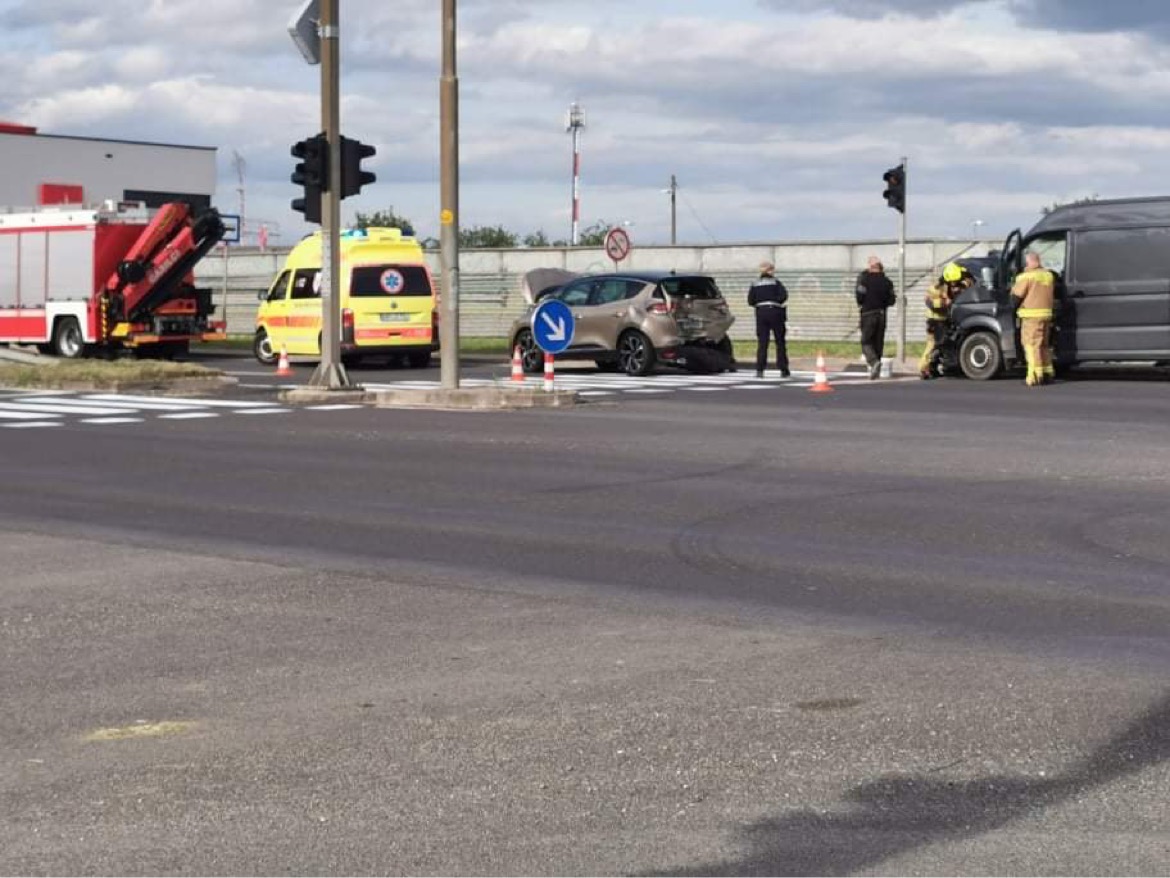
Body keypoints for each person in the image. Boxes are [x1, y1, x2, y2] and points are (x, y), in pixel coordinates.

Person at [918, 261, 973, 379]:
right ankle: (923, 369)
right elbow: (930, 302)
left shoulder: (954, 280)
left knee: (944, 345)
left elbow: (967, 281)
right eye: (952, 282)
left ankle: (937, 367)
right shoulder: (936, 288)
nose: (954, 284)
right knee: (933, 345)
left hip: (945, 319)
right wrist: (945, 303)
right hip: (935, 320)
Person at [1011, 251, 1056, 386]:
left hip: (1031, 317)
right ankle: (1048, 372)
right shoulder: (1048, 275)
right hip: (1046, 315)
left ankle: (1035, 375)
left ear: (1029, 262)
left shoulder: (1026, 277)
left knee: (1031, 346)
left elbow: (1016, 297)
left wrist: (1011, 309)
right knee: (1043, 345)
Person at [854, 256, 897, 380]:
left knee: (866, 341)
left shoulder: (864, 280)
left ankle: (873, 363)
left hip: (868, 314)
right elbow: (892, 300)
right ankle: (875, 371)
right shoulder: (887, 282)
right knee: (878, 343)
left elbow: (859, 297)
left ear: (870, 267)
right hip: (882, 315)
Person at [747, 261, 790, 378]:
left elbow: (750, 301)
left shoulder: (755, 284)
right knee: (780, 342)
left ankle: (760, 370)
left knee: (762, 343)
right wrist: (776, 301)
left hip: (761, 313)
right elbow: (784, 296)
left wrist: (760, 304)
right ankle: (783, 369)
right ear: (770, 270)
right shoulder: (776, 282)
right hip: (775, 312)